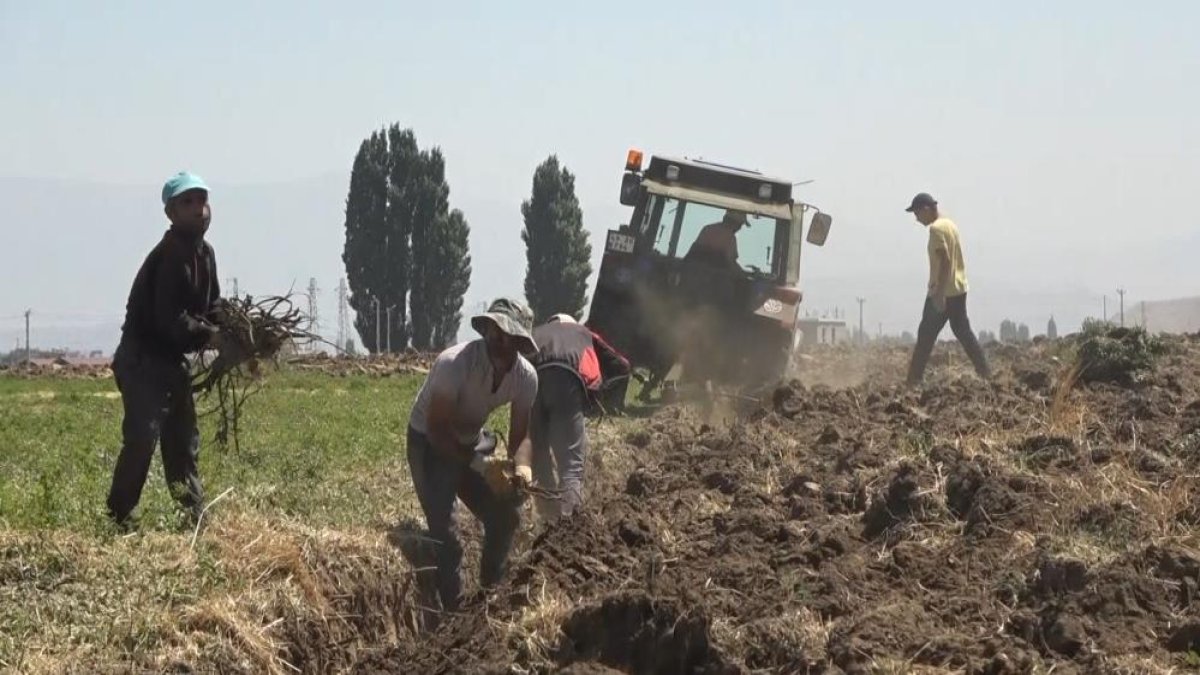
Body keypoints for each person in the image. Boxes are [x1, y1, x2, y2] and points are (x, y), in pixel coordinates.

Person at [106, 171, 223, 528]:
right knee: (144, 437)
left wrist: (236, 331)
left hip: (172, 362)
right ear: (170, 213)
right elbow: (170, 321)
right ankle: (119, 516)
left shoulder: (205, 254)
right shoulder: (169, 255)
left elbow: (213, 304)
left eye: (201, 200)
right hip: (142, 360)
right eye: (187, 202)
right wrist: (212, 336)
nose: (197, 209)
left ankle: (193, 518)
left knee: (183, 442)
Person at [406, 298, 538, 611]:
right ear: (486, 331)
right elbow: (437, 430)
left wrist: (522, 470)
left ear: (520, 342)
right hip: (429, 443)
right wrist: (480, 463)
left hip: (467, 442)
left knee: (505, 517)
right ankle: (454, 618)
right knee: (447, 540)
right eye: (495, 332)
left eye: (508, 336)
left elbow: (521, 437)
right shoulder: (455, 364)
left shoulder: (526, 378)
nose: (500, 341)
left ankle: (489, 598)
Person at [529, 314, 628, 523]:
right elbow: (622, 365)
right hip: (567, 384)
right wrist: (600, 397)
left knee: (539, 459)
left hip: (532, 384)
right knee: (571, 467)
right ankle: (566, 530)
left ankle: (545, 519)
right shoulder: (583, 332)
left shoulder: (534, 333)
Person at [904, 192, 991, 386]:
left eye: (917, 213)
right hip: (959, 287)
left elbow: (945, 260)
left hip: (943, 291)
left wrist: (939, 294)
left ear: (926, 210)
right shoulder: (950, 224)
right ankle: (985, 372)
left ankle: (913, 380)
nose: (916, 219)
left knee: (925, 335)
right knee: (963, 331)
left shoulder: (935, 229)